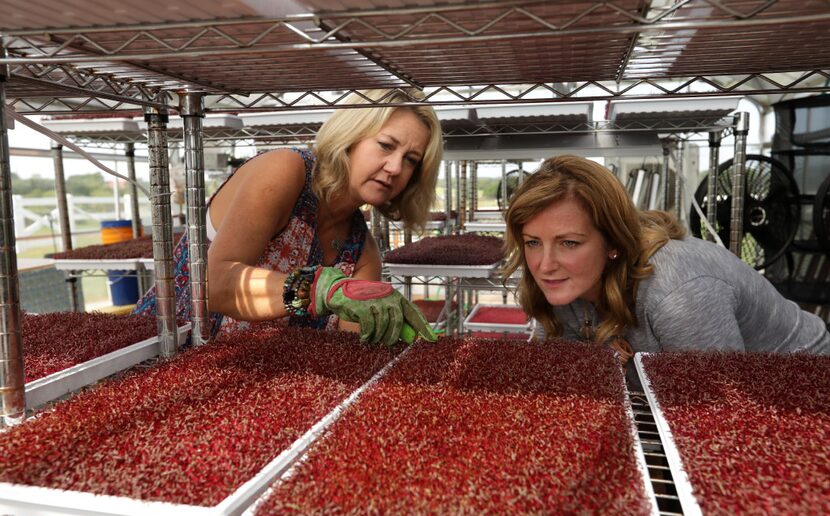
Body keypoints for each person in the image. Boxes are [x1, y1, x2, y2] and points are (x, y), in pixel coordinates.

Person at [134, 88, 442, 346]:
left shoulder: (362, 252)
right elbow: (212, 286)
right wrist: (320, 288)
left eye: (411, 160)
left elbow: (353, 348)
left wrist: (397, 336)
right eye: (386, 145)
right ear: (352, 137)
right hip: (161, 356)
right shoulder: (287, 172)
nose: (395, 168)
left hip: (244, 390)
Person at [502, 154, 830, 354]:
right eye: (532, 242)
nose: (544, 265)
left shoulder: (678, 295)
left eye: (569, 243)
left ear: (613, 242)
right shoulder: (563, 287)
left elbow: (717, 418)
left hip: (799, 392)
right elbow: (567, 382)